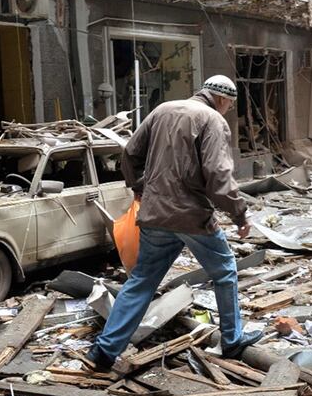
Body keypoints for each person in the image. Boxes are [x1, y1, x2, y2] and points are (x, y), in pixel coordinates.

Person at [87, 75, 262, 371]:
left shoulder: (162, 110)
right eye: (230, 106)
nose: (228, 111)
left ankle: (103, 352)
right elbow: (218, 174)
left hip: (156, 214)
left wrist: (139, 186)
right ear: (222, 99)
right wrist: (239, 214)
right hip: (191, 216)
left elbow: (130, 152)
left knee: (141, 282)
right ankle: (232, 340)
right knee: (225, 272)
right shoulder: (212, 119)